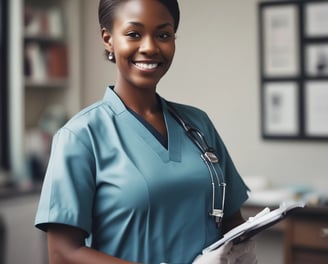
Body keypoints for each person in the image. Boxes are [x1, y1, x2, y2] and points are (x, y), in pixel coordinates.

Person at [35, 0, 257, 263]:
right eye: (134, 34)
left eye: (163, 35)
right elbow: (62, 253)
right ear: (108, 39)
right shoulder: (80, 136)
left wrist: (240, 250)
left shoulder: (198, 124)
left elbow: (231, 218)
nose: (150, 47)